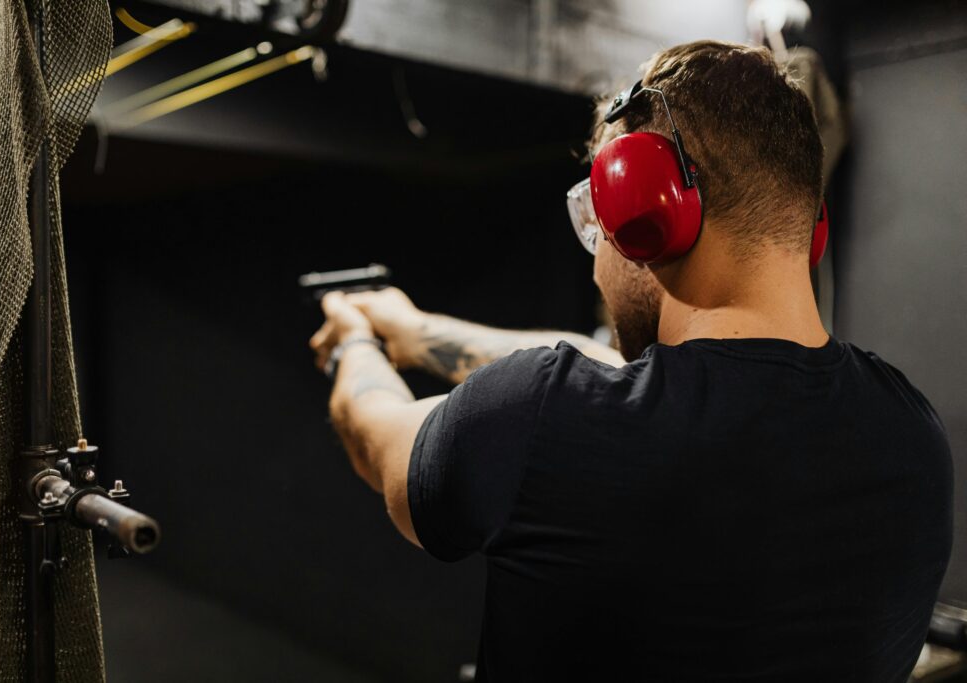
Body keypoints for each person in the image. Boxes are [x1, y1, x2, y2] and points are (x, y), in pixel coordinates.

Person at [310, 40, 952, 681]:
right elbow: (614, 381)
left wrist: (353, 341)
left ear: (642, 209)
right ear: (807, 228)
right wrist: (414, 329)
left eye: (598, 216)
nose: (596, 262)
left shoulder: (544, 421)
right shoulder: (911, 435)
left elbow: (378, 439)